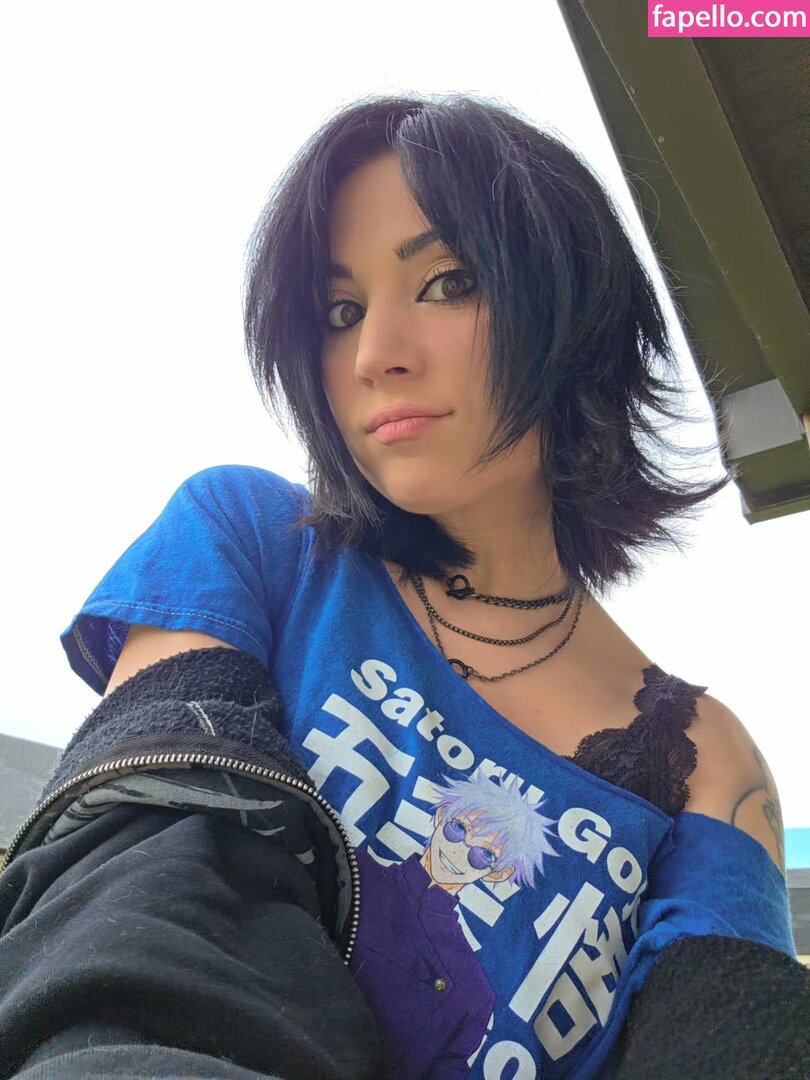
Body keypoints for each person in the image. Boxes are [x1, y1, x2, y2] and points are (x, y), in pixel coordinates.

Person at [0, 92, 807, 1080]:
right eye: (340, 313)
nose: (374, 354)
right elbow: (142, 898)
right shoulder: (250, 541)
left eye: (448, 282)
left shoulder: (706, 765)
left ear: (576, 308)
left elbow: (729, 1038)